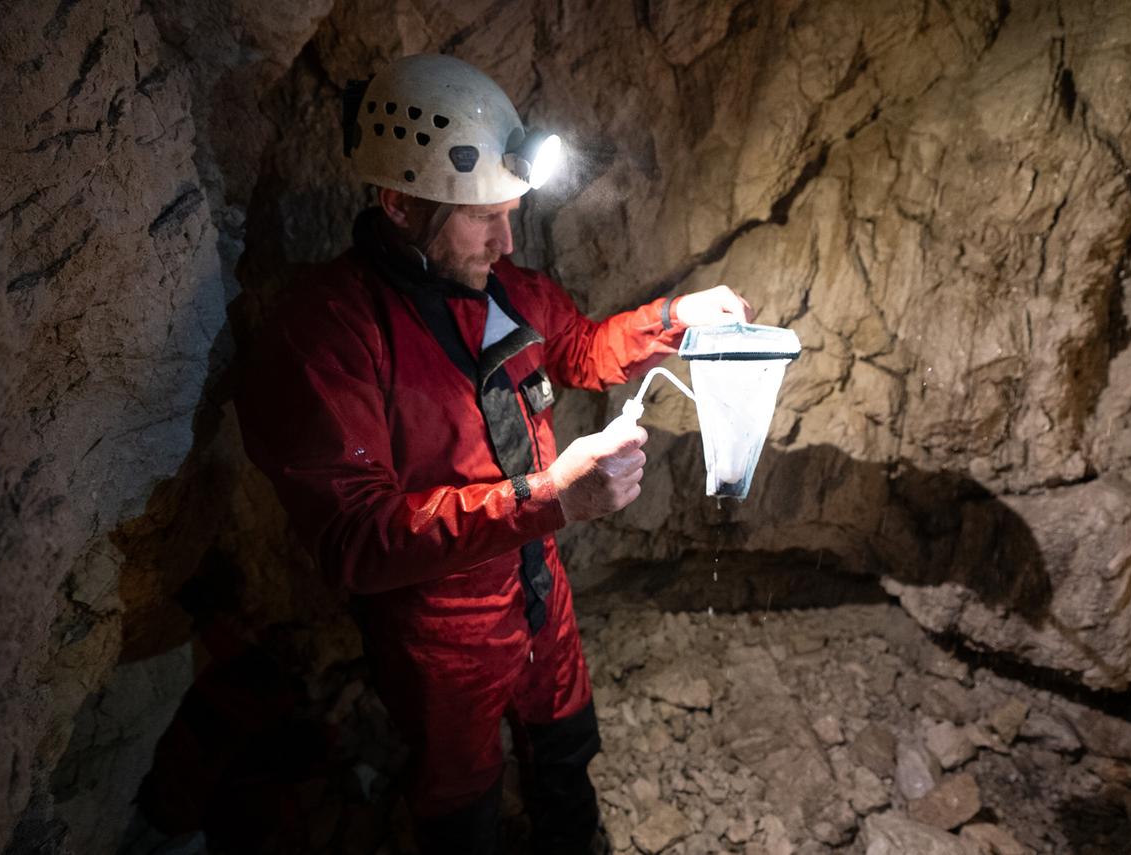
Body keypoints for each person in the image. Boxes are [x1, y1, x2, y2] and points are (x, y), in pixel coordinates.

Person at [236, 54, 751, 855]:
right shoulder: (330, 333)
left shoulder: (507, 287)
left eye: (511, 212)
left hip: (541, 593)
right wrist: (553, 498)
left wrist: (676, 317)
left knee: (566, 755)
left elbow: (579, 349)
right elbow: (357, 537)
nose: (506, 239)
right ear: (399, 203)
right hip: (441, 633)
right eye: (482, 218)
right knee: (461, 804)